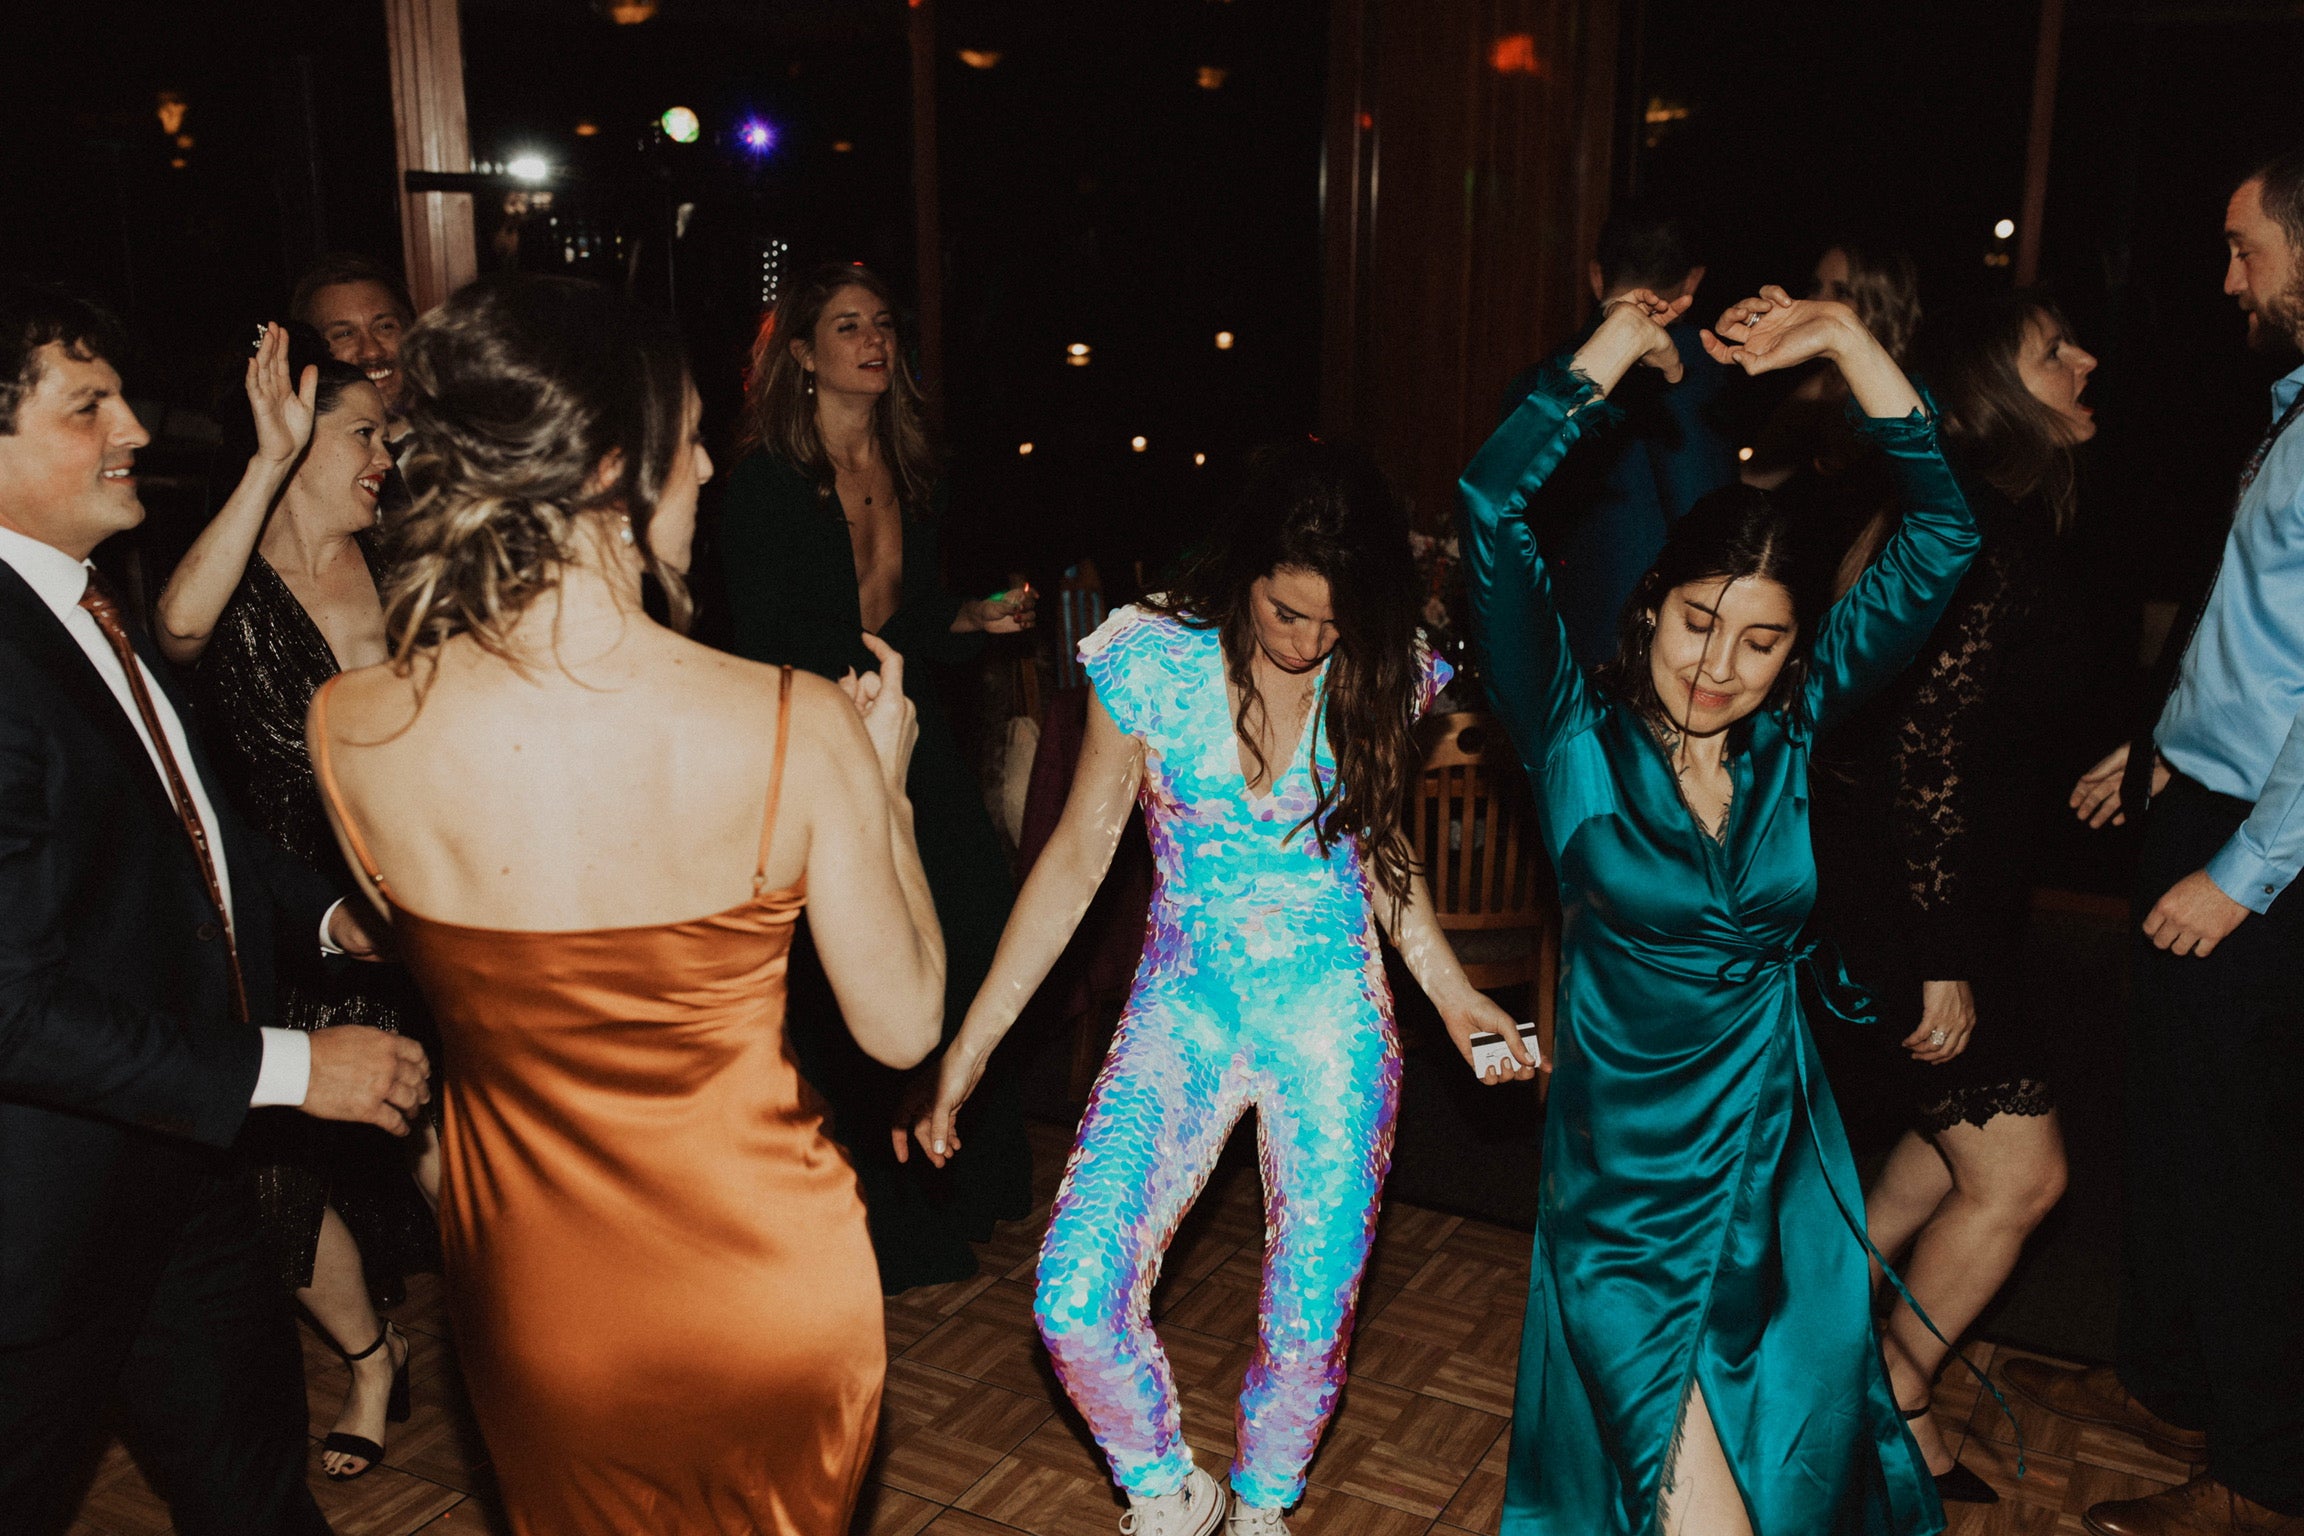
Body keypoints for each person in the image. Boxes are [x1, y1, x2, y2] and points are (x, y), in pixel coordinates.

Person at [308, 272, 946, 1536]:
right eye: (689, 435)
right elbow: (903, 1027)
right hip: (763, 1284)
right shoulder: (793, 725)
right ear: (612, 465)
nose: (707, 466)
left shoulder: (352, 727)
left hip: (537, 1298)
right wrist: (890, 799)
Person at [904, 438, 1533, 1536]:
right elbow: (1073, 861)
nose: (1309, 645)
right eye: (1288, 613)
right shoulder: (1154, 662)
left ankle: (1261, 1513)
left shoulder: (1382, 663)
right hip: (1183, 1009)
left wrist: (1450, 991)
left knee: (1308, 1321)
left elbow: (1379, 849)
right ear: (1242, 571)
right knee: (1074, 1293)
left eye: (1334, 623)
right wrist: (972, 1041)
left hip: (1334, 1016)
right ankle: (1169, 1493)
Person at [1462, 285, 1980, 1536]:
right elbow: (1489, 509)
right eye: (1698, 624)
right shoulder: (1572, 739)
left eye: (1758, 643)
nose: (1716, 667)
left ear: (1796, 656)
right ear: (1652, 606)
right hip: (1622, 1204)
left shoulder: (1793, 738)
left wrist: (1855, 342)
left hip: (1776, 1184)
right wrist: (1605, 359)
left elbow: (1944, 539)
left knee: (1788, 1494)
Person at [0, 278, 428, 1534]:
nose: (135, 429)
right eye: (89, 407)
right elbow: (11, 1007)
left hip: (180, 1175)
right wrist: (292, 1067)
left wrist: (331, 922)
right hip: (42, 1219)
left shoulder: (75, 597)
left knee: (250, 1495)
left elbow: (192, 833)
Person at [2040, 150, 2304, 1536]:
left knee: (2246, 1170)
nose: (2226, 277)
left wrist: (2240, 875)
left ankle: (2260, 1486)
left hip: (2269, 849)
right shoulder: (2293, 408)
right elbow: (2256, 632)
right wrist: (2158, 752)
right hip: (2211, 801)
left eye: (2244, 247)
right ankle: (2196, 1395)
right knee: (2192, 1140)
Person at [1807, 289, 2096, 1506]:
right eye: (2054, 350)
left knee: (1942, 1144)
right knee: (2021, 1176)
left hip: (1947, 901)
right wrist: (1935, 949)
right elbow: (1917, 750)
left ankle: (1809, 1331)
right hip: (1918, 909)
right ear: (1993, 390)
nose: (2086, 360)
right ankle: (1897, 1380)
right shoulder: (1977, 520)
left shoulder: (1983, 513)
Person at [714, 261, 1036, 1291]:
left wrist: (968, 621)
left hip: (906, 725)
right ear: (802, 354)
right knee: (855, 973)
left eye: (883, 325)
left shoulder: (910, 465)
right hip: (819, 737)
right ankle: (884, 1214)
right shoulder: (763, 481)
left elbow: (907, 614)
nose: (874, 341)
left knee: (979, 926)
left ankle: (963, 1162)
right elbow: (761, 633)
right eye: (848, 326)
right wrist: (866, 681)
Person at [152, 321, 437, 1480]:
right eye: (364, 433)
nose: (383, 453)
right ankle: (372, 1354)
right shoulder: (233, 567)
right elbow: (176, 629)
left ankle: (549, 1340)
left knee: (455, 1140)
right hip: (290, 911)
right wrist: (264, 466)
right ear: (294, 434)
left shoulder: (411, 552)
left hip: (422, 891)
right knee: (273, 1175)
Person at [1501, 202, 1738, 667]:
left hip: (1545, 657)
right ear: (1692, 282)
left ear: (1595, 277)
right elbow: (1716, 528)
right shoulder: (1699, 374)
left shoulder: (1535, 386)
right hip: (1664, 661)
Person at [289, 254, 415, 435]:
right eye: (345, 334)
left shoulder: (459, 447)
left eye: (385, 327)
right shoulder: (293, 458)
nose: (372, 352)